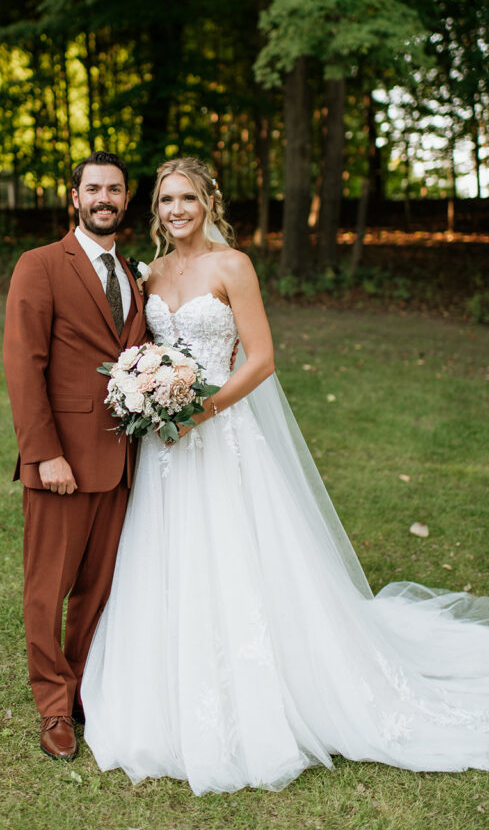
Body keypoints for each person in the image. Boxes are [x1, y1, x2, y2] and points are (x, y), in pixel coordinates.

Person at [81, 156, 489, 795]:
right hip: (166, 448)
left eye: (187, 198)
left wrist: (201, 408)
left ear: (208, 203)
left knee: (244, 558)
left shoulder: (232, 266)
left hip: (222, 437)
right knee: (170, 559)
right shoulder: (150, 271)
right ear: (154, 208)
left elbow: (263, 358)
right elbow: (141, 350)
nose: (176, 210)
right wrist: (148, 390)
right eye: (165, 201)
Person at [3, 151, 147, 761]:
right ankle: (53, 707)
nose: (104, 199)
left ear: (124, 199)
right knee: (48, 588)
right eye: (94, 189)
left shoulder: (136, 274)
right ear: (75, 198)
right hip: (61, 461)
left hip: (121, 459)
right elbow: (23, 364)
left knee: (98, 587)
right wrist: (43, 454)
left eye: (114, 190)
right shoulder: (39, 266)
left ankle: (84, 685)